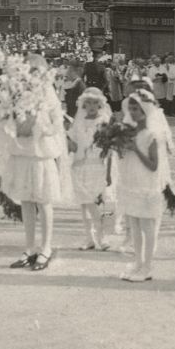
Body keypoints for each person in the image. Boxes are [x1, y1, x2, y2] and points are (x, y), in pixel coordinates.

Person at [0, 57, 66, 272]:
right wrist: (12, 126)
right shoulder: (15, 91)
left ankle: (46, 247)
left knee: (43, 199)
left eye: (37, 71)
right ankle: (29, 247)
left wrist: (40, 128)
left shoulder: (48, 92)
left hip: (40, 152)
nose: (33, 76)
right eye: (29, 71)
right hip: (21, 150)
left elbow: (57, 121)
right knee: (26, 200)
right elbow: (4, 115)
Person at [114, 89, 171, 282]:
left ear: (145, 109)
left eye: (136, 108)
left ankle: (148, 266)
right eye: (130, 108)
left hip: (146, 184)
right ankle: (137, 263)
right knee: (134, 225)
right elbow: (123, 157)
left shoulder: (152, 134)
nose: (132, 112)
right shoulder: (128, 131)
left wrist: (136, 149)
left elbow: (154, 166)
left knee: (147, 226)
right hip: (131, 181)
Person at [70, 87, 113, 251]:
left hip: (97, 166)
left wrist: (109, 172)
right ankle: (88, 238)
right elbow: (73, 145)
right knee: (84, 204)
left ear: (100, 104)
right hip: (80, 165)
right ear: (83, 105)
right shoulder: (78, 122)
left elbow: (108, 149)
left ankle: (102, 237)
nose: (91, 106)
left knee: (95, 202)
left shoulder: (103, 121)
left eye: (95, 103)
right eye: (88, 103)